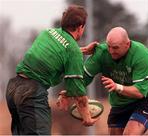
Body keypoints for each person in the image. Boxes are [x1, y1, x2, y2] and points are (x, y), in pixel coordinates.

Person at [6, 5, 98, 135]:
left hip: (13, 88)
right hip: (31, 93)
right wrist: (87, 117)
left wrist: (81, 50)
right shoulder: (72, 50)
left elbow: (58, 53)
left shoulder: (48, 33)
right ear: (80, 27)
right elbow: (78, 91)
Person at [83, 27, 148, 135]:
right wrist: (71, 91)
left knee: (130, 134)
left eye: (115, 48)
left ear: (127, 44)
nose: (111, 51)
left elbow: (139, 92)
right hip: (120, 101)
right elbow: (82, 78)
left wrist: (117, 87)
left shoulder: (141, 55)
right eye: (109, 46)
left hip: (147, 97)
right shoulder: (101, 52)